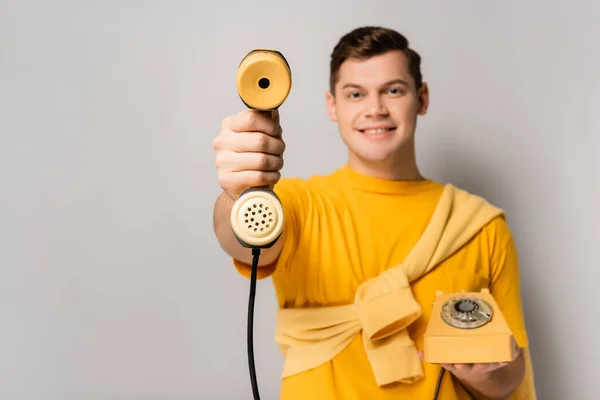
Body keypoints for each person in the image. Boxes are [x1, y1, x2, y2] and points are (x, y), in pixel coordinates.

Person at [213, 26, 536, 400]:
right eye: (355, 94)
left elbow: (512, 373)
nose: (375, 109)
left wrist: (482, 373)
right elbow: (239, 237)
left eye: (393, 90)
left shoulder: (479, 225)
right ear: (332, 105)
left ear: (422, 98)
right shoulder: (298, 205)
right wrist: (239, 194)